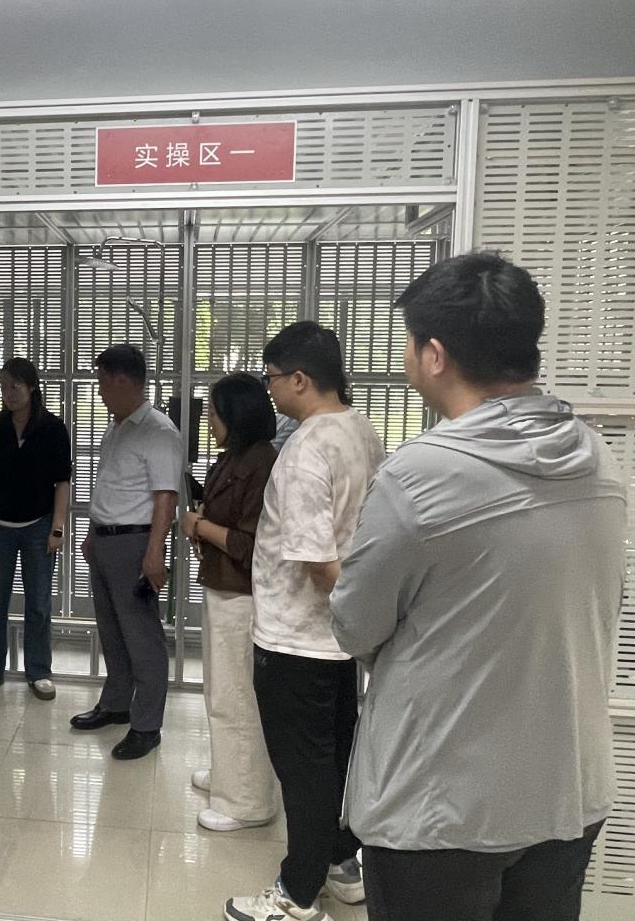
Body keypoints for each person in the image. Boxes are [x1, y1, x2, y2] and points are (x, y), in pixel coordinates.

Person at [329, 253, 626, 921]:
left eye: (410, 342)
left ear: (434, 355)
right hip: (567, 790)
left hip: (440, 808)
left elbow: (354, 625)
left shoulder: (419, 476)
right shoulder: (598, 461)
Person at [226, 322, 384, 921]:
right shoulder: (362, 431)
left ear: (299, 379)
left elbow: (319, 564)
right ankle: (340, 861)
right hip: (336, 644)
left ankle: (296, 892)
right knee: (333, 757)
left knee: (303, 770)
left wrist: (360, 616)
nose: (268, 390)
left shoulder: (307, 449)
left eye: (271, 378)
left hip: (295, 640)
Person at [70, 344, 182, 760]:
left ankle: (147, 725)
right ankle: (116, 704)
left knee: (142, 637)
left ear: (121, 380)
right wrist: (92, 533)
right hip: (105, 541)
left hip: (135, 544)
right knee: (112, 632)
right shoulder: (116, 429)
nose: (99, 391)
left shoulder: (158, 431)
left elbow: (166, 497)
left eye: (101, 382)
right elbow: (110, 486)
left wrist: (155, 553)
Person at [180, 373, 280, 832]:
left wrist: (199, 526)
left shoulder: (262, 463)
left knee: (237, 698)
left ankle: (247, 802)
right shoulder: (233, 457)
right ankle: (228, 775)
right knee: (219, 691)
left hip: (242, 596)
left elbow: (248, 543)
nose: (210, 422)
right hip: (221, 587)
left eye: (215, 414)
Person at [0, 357, 72, 701]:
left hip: (38, 527)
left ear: (32, 387)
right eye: (4, 387)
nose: (9, 393)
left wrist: (57, 528)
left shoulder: (53, 429)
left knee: (39, 602)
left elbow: (62, 482)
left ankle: (39, 671)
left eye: (15, 386)